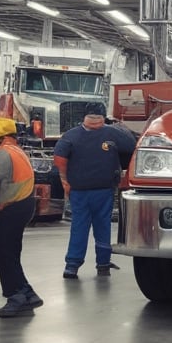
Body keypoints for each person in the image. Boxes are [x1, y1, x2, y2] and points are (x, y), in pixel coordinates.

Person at [53, 111, 137, 279]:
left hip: (79, 190)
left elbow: (59, 158)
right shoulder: (113, 133)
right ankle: (103, 265)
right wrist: (121, 127)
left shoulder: (70, 136)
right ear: (102, 119)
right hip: (103, 190)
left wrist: (65, 182)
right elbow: (132, 146)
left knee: (79, 227)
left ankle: (72, 266)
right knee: (103, 227)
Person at [0, 117, 42, 318]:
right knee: (11, 254)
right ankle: (27, 293)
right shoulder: (15, 150)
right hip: (23, 204)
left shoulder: (2, 154)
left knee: (5, 255)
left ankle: (16, 297)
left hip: (10, 208)